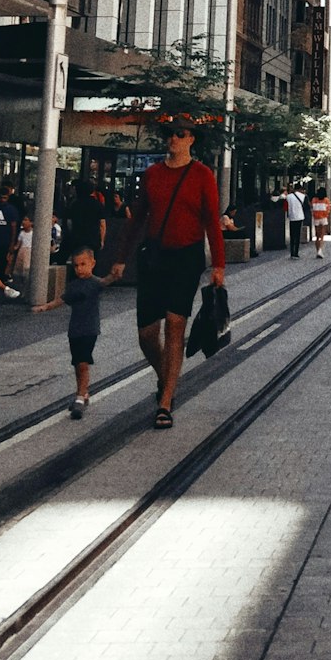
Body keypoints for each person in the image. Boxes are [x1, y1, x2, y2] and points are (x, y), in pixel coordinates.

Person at [113, 121, 225, 430]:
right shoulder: (152, 174)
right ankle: (166, 379)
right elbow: (136, 219)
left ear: (191, 139)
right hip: (154, 256)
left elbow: (211, 222)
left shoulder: (203, 175)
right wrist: (120, 258)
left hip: (186, 258)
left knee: (176, 326)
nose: (172, 139)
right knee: (147, 335)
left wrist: (219, 265)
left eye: (179, 134)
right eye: (169, 134)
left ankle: (166, 402)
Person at [33, 245, 121, 417]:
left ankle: (80, 396)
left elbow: (105, 281)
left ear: (92, 264)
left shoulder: (94, 283)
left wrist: (114, 275)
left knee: (82, 362)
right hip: (75, 330)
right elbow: (62, 299)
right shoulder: (74, 285)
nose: (80, 269)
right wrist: (45, 307)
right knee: (77, 362)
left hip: (89, 329)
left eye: (83, 264)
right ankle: (83, 392)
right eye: (76, 265)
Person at [67, 182, 106, 262]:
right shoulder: (98, 205)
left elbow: (69, 223)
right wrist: (102, 240)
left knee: (78, 261)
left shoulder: (75, 204)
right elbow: (102, 224)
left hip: (77, 238)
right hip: (93, 239)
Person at [6, 212, 34, 287]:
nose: (23, 222)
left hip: (29, 253)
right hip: (21, 253)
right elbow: (17, 245)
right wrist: (11, 251)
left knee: (26, 272)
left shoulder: (33, 233)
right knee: (19, 273)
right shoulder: (21, 233)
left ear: (31, 222)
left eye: (26, 220)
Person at [286, 183, 307, 258]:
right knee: (297, 235)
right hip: (300, 217)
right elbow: (306, 207)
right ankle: (296, 253)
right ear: (300, 189)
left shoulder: (288, 196)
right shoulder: (303, 196)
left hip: (291, 217)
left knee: (292, 235)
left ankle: (292, 252)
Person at [310, 184, 331, 259]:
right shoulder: (326, 200)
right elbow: (328, 210)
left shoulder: (314, 199)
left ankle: (317, 250)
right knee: (322, 235)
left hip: (316, 218)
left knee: (317, 235)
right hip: (323, 218)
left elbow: (312, 208)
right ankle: (320, 250)